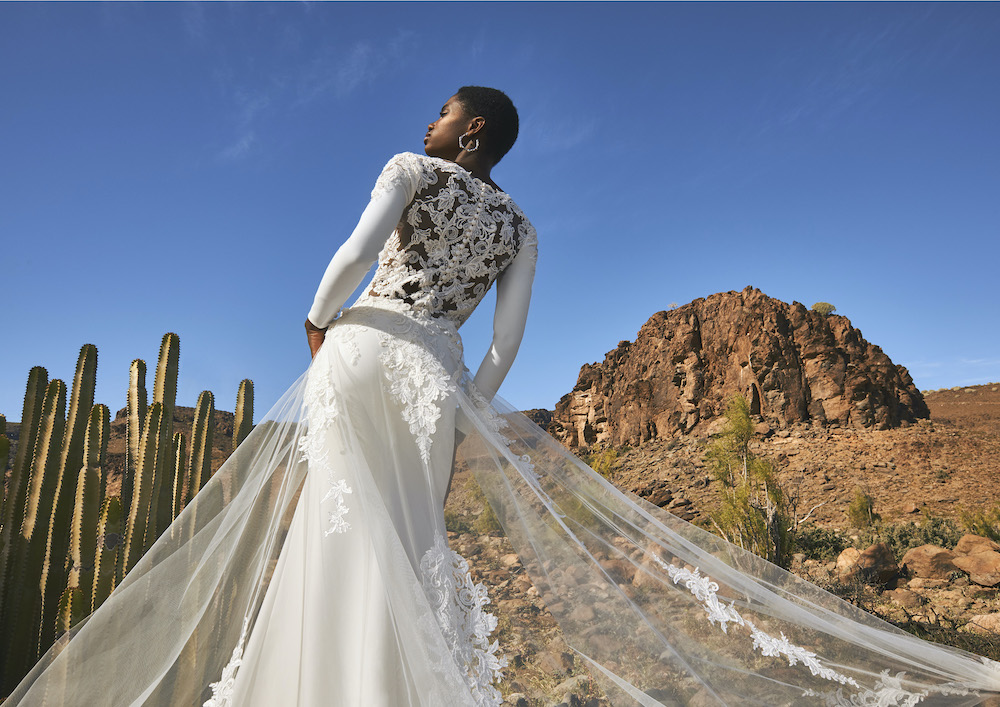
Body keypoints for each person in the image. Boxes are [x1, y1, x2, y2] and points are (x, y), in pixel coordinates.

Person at [5, 86, 1000, 707]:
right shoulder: (522, 226)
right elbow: (507, 345)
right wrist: (464, 395)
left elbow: (355, 255)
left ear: (468, 131)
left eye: (442, 109)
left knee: (337, 529)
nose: (428, 119)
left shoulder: (412, 169)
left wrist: (317, 319)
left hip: (364, 349)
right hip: (435, 376)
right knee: (398, 533)